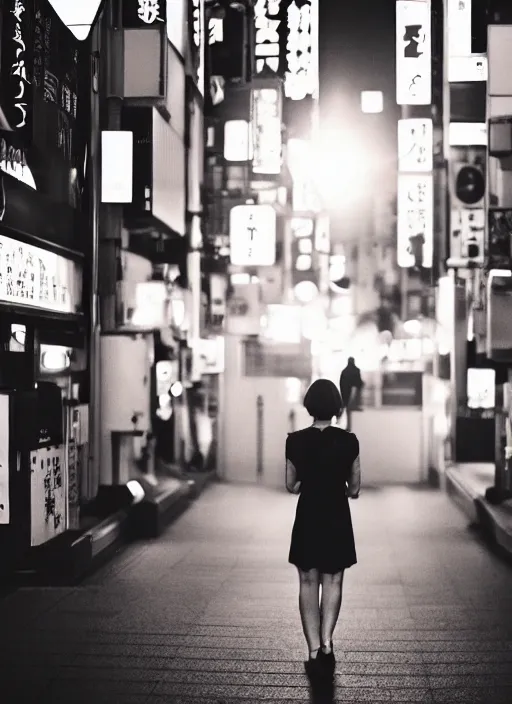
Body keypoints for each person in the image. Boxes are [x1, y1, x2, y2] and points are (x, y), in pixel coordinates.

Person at [285, 379, 361, 677]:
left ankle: (313, 648)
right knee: (333, 580)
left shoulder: (295, 440)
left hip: (308, 514)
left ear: (309, 406)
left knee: (307, 581)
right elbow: (354, 488)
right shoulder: (349, 441)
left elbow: (291, 485)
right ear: (336, 407)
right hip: (336, 514)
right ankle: (328, 642)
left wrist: (308, 482)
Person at [339, 357, 364, 429]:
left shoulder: (344, 371)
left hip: (345, 392)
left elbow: (341, 383)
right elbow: (359, 382)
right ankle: (349, 426)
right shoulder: (356, 370)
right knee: (349, 409)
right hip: (353, 391)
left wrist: (342, 392)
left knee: (344, 407)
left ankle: (338, 419)